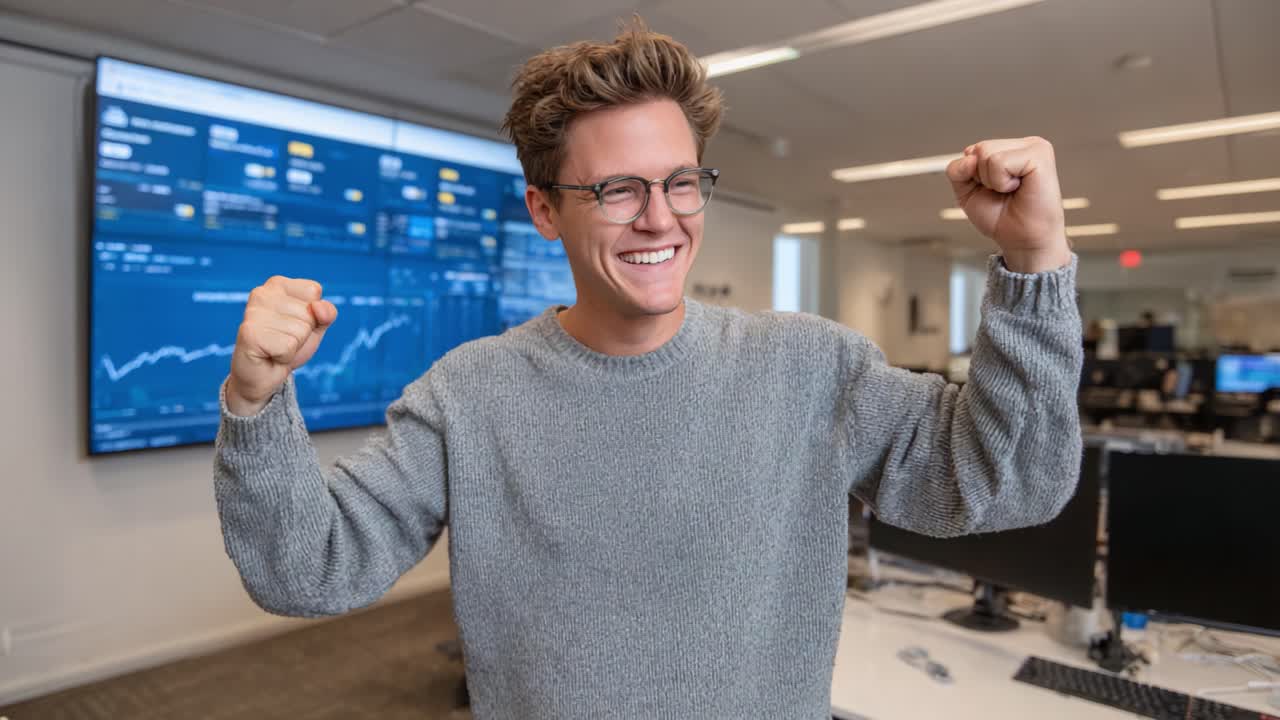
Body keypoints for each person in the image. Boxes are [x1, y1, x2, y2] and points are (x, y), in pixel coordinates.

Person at [214, 19, 1082, 720]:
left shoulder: (809, 366)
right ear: (545, 210)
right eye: (617, 190)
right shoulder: (470, 393)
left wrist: (1035, 260)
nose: (659, 220)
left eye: (680, 182)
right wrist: (256, 401)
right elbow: (308, 570)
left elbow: (1011, 484)